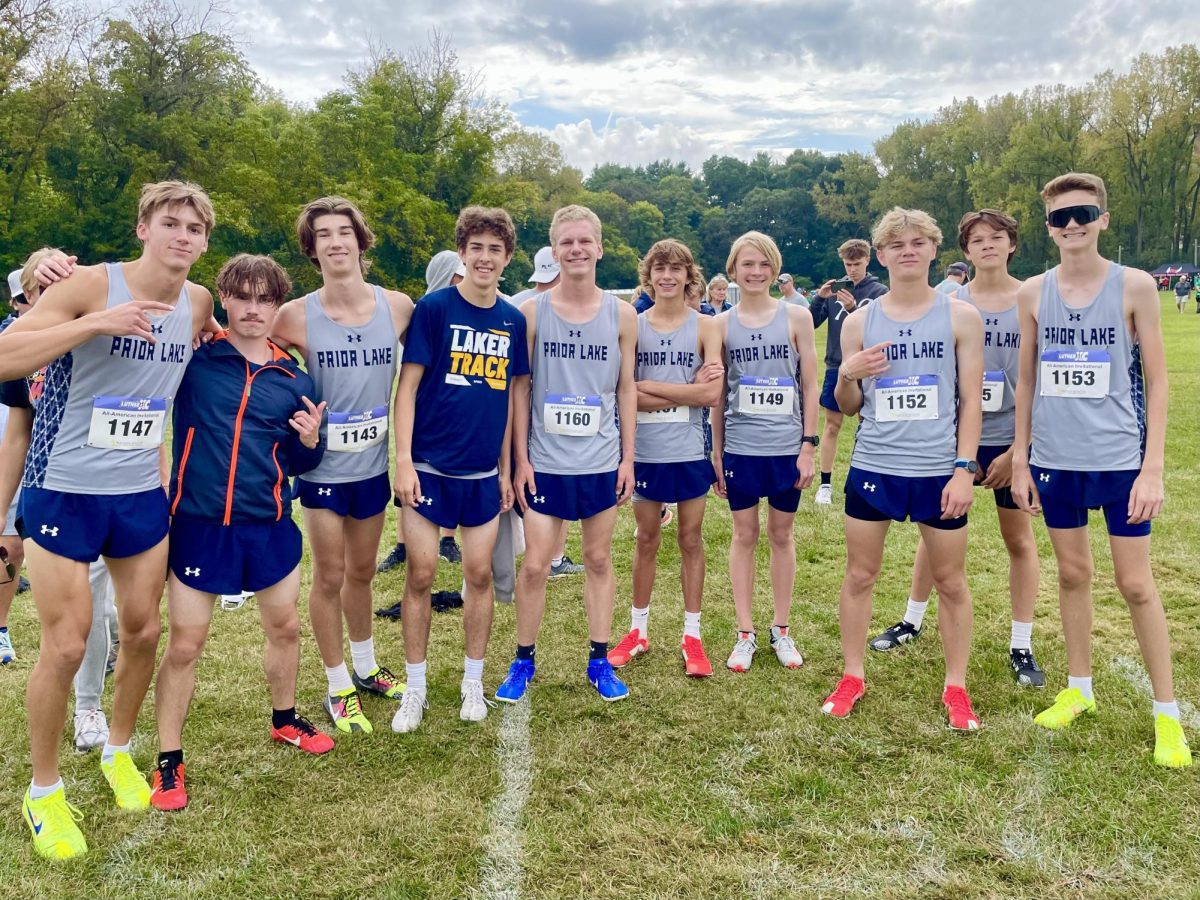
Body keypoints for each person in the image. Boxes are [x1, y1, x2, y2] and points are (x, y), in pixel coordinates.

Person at [0, 181, 215, 860]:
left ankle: (119, 751)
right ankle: (43, 792)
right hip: (63, 489)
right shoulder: (90, 285)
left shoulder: (200, 301)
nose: (183, 236)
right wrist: (93, 323)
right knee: (65, 645)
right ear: (142, 229)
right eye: (170, 223)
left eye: (195, 229)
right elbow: (7, 355)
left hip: (139, 495)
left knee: (144, 630)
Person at [1011, 173, 1191, 767]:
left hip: (1118, 460)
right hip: (1055, 462)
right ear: (1048, 228)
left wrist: (1153, 469)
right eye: (1060, 218)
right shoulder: (1034, 293)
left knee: (1136, 584)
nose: (1072, 226)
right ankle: (1079, 689)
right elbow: (1029, 380)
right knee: (1071, 575)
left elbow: (1158, 380)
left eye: (1082, 213)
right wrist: (1021, 459)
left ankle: (1168, 713)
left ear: (1102, 219)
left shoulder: (1134, 286)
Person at [150, 254, 333, 811]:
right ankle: (168, 761)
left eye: (265, 299)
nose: (254, 310)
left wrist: (309, 442)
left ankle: (284, 719)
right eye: (243, 297)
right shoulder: (196, 362)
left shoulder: (294, 377)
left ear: (279, 305)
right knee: (185, 644)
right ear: (224, 300)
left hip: (269, 526)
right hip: (200, 526)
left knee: (284, 628)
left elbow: (304, 460)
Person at [822, 207, 984, 731]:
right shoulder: (861, 322)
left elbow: (971, 401)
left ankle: (956, 685)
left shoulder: (961, 316)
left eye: (918, 242)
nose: (907, 250)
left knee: (951, 580)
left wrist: (964, 469)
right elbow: (847, 405)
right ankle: (852, 673)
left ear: (935, 250)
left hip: (938, 471)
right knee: (860, 574)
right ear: (882, 254)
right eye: (896, 244)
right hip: (874, 468)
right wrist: (848, 372)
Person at [868, 210, 1044, 687]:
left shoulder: (1031, 297)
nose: (988, 246)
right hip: (952, 441)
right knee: (936, 539)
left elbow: (1037, 378)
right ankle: (912, 618)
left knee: (1017, 539)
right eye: (978, 240)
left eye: (998, 238)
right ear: (963, 252)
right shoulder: (948, 300)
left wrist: (1019, 450)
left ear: (1012, 245)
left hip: (1009, 439)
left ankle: (1021, 642)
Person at [271, 196, 414, 735]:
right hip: (323, 471)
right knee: (329, 576)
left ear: (360, 240)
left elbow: (430, 362)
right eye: (323, 235)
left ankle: (367, 665)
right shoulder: (295, 314)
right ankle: (337, 685)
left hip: (373, 467)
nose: (335, 242)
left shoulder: (397, 306)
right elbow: (249, 346)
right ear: (312, 249)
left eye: (344, 232)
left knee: (362, 572)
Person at [391, 207, 528, 731]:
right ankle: (416, 687)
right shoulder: (434, 308)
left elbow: (515, 399)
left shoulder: (513, 320)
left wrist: (509, 468)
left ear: (507, 257)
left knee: (478, 575)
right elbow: (407, 389)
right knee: (421, 573)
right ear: (463, 254)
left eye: (496, 249)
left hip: (479, 475)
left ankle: (473, 681)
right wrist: (403, 461)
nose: (485, 257)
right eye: (476, 247)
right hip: (427, 466)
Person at [497, 204, 638, 703]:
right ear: (554, 252)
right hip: (545, 463)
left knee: (598, 559)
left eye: (584, 241)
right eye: (566, 243)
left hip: (600, 462)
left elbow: (626, 390)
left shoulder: (622, 315)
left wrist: (628, 458)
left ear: (599, 247)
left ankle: (599, 660)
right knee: (535, 565)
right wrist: (519, 461)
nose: (576, 250)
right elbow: (519, 390)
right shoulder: (531, 313)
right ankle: (523, 659)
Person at [0, 249, 119, 753]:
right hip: (54, 494)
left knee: (111, 615)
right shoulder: (23, 354)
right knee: (78, 618)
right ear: (26, 299)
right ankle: (88, 707)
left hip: (117, 489)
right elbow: (17, 437)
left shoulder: (105, 336)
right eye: (45, 294)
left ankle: (95, 679)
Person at [608, 240, 723, 678]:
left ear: (688, 275)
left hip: (690, 451)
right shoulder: (633, 325)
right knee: (646, 537)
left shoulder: (705, 327)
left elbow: (710, 394)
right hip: (646, 453)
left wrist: (650, 390)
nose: (668, 276)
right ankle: (637, 631)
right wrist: (684, 391)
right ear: (649, 275)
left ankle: (692, 636)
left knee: (691, 538)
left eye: (677, 268)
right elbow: (625, 395)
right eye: (660, 268)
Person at [711, 231, 818, 672]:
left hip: (786, 448)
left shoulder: (797, 318)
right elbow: (717, 395)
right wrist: (716, 453)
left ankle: (781, 629)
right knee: (744, 534)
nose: (755, 273)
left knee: (781, 534)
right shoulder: (719, 323)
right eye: (746, 264)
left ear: (774, 271)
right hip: (741, 447)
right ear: (733, 269)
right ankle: (745, 633)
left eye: (763, 265)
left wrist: (808, 446)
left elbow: (810, 384)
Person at [376, 251, 465, 574]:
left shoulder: (463, 307)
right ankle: (402, 543)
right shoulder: (422, 312)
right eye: (458, 273)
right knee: (410, 477)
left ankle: (447, 538)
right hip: (422, 411)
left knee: (453, 474)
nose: (464, 277)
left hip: (453, 408)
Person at [508, 246, 585, 578]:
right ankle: (548, 557)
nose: (545, 286)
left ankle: (544, 555)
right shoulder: (524, 308)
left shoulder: (518, 301)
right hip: (533, 409)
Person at [810, 239, 888, 505]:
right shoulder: (835, 290)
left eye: (857, 264)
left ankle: (862, 479)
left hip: (870, 367)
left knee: (867, 425)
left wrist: (854, 310)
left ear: (868, 260)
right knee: (832, 425)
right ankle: (825, 484)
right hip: (836, 365)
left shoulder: (879, 291)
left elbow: (882, 329)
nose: (852, 269)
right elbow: (811, 323)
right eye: (847, 264)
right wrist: (820, 297)